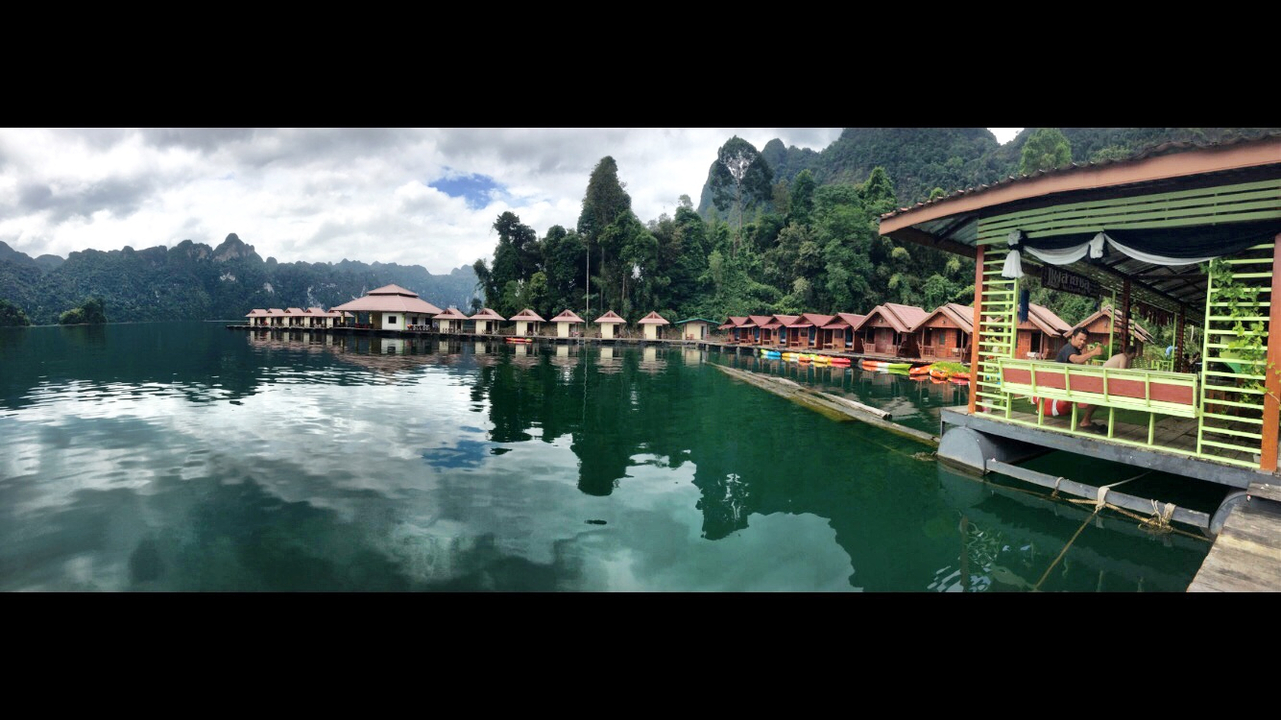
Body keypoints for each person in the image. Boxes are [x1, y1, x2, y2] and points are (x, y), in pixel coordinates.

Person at [1050, 327, 1106, 431]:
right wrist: (1093, 353)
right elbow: (1075, 360)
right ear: (1073, 338)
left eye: (1084, 340)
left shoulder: (1074, 350)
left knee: (1098, 388)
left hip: (1067, 383)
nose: (1083, 342)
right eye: (1080, 339)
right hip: (1064, 385)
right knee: (1099, 392)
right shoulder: (1069, 349)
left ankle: (1085, 417)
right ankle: (1085, 421)